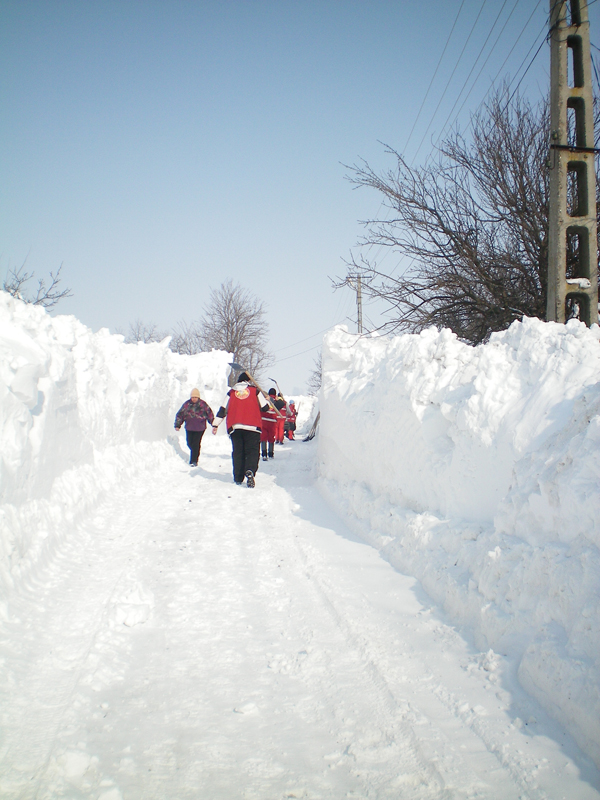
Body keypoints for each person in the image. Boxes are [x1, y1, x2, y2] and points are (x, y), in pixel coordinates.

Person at [211, 372, 268, 487]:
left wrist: (215, 424)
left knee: (238, 452)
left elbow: (223, 409)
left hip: (235, 427)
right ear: (248, 381)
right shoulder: (255, 391)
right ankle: (250, 470)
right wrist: (266, 399)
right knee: (252, 451)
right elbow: (265, 408)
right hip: (253, 426)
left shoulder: (231, 392)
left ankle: (238, 477)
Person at [174, 388, 214, 466]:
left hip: (200, 428)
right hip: (189, 427)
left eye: (195, 397)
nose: (194, 399)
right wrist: (178, 424)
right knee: (189, 443)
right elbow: (180, 414)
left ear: (198, 397)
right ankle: (195, 453)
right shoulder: (187, 404)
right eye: (192, 397)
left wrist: (214, 424)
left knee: (196, 443)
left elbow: (209, 414)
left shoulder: (203, 404)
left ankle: (194, 461)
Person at [260, 388, 278, 460]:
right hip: (272, 422)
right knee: (271, 438)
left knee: (263, 437)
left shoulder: (264, 400)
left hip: (263, 421)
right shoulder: (276, 402)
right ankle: (271, 454)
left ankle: (264, 454)